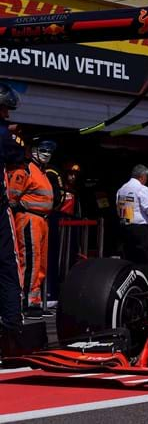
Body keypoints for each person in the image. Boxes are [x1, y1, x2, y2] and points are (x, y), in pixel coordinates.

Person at [8, 139, 56, 319]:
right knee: (29, 260)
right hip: (29, 218)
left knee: (40, 263)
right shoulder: (25, 169)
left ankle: (34, 301)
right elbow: (12, 198)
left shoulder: (42, 172)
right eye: (43, 150)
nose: (46, 154)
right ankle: (25, 302)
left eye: (49, 151)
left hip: (42, 221)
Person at [0, 84, 26, 335]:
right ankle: (11, 325)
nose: (8, 114)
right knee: (8, 265)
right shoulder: (6, 136)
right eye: (5, 109)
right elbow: (18, 155)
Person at [116, 164, 148, 265]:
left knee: (130, 258)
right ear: (142, 177)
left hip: (126, 228)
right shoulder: (142, 189)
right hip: (140, 230)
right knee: (146, 259)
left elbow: (122, 211)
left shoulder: (122, 189)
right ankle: (143, 279)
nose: (146, 180)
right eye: (146, 178)